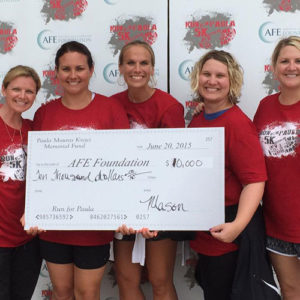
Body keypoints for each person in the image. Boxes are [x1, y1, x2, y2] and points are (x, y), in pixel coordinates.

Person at [33, 41, 129, 300]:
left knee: (87, 293)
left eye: (79, 68)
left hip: (94, 225)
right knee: (62, 292)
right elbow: (37, 170)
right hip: (54, 223)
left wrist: (125, 210)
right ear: (56, 72)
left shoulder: (111, 110)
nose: (73, 75)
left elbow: (125, 164)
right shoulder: (44, 113)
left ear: (91, 70)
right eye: (66, 69)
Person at [188, 50, 268, 300]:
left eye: (220, 75)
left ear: (232, 81)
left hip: (229, 231)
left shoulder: (237, 124)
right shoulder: (199, 119)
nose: (212, 81)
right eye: (207, 74)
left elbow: (254, 181)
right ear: (197, 78)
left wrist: (237, 226)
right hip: (206, 228)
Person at [111, 40, 185, 300]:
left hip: (160, 205)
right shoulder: (111, 105)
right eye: (131, 62)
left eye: (144, 63)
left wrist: (151, 209)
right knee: (125, 278)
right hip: (122, 204)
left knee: (159, 279)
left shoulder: (169, 107)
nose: (137, 69)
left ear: (153, 68)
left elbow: (176, 164)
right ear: (120, 67)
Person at [253, 36, 300, 300]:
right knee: (290, 292)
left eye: (298, 60)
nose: (291, 66)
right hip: (276, 223)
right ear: (274, 66)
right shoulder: (265, 106)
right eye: (285, 61)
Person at [0, 65, 42, 300]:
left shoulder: (33, 130)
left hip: (28, 238)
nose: (22, 96)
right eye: (16, 89)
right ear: (4, 89)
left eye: (29, 91)